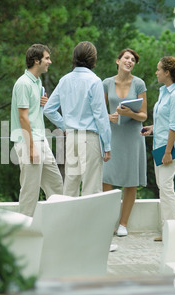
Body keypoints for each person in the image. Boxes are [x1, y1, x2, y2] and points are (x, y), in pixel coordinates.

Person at [44, 41, 111, 197]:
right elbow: (101, 116)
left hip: (72, 138)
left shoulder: (65, 80)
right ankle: (89, 222)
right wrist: (107, 145)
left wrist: (65, 126)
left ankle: (68, 221)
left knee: (70, 186)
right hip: (89, 138)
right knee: (91, 187)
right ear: (93, 59)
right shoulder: (95, 81)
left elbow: (48, 109)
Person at [141, 56, 175, 241]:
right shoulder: (164, 92)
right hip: (160, 146)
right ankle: (168, 230)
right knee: (163, 187)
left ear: (167, 72)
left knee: (167, 187)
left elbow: (174, 127)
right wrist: (152, 128)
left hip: (168, 148)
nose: (156, 72)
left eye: (158, 69)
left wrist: (169, 151)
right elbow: (164, 121)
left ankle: (173, 232)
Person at [10, 44, 63, 217]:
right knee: (30, 192)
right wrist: (31, 147)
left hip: (41, 140)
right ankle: (24, 233)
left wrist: (41, 103)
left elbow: (32, 112)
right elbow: (23, 117)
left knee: (56, 186)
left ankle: (56, 227)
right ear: (36, 60)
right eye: (47, 58)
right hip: (29, 143)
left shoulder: (37, 82)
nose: (50, 61)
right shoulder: (23, 83)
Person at [102, 48, 148, 237]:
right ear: (118, 60)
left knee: (130, 181)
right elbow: (99, 111)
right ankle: (107, 222)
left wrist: (130, 113)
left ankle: (123, 224)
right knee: (106, 179)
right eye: (126, 58)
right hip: (112, 136)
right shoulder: (106, 83)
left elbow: (144, 115)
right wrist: (108, 117)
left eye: (133, 60)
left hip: (132, 137)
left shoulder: (139, 84)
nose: (130, 61)